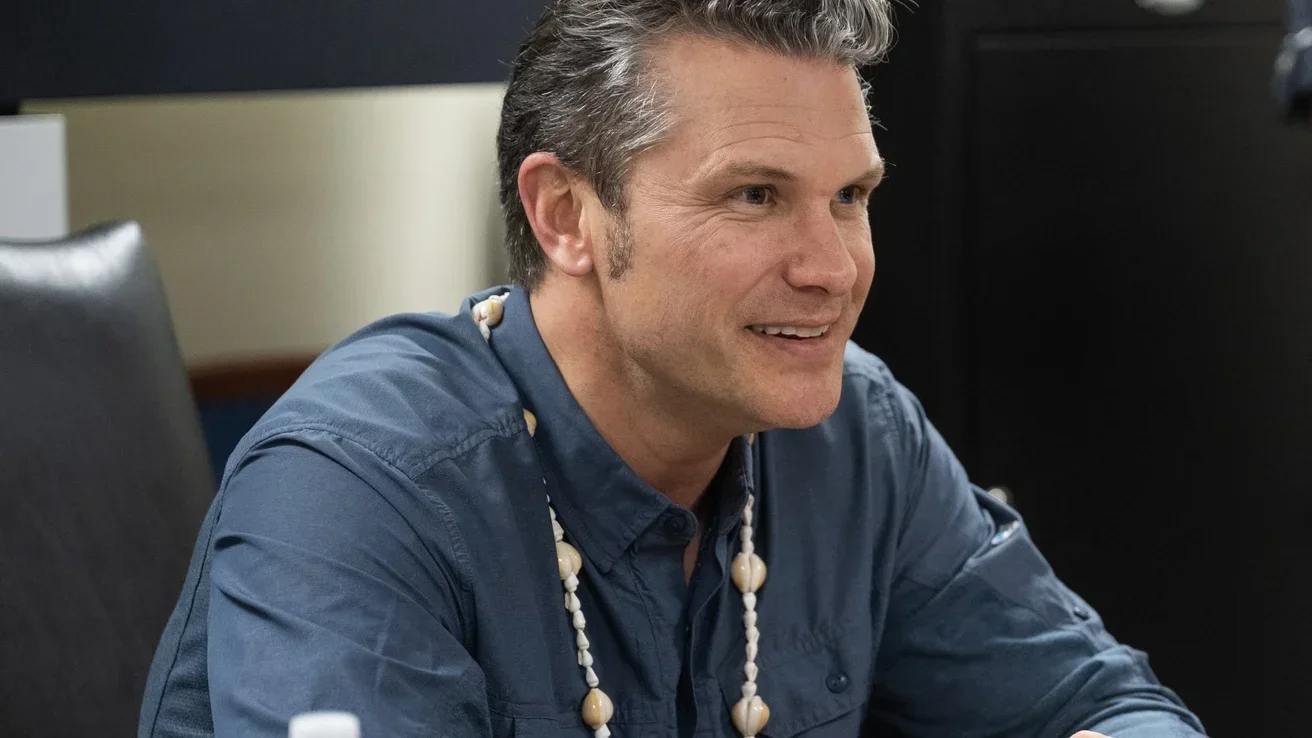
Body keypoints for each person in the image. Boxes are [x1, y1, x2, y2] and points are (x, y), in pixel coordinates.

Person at [140, 1, 1207, 736]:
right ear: (566, 215)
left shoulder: (855, 432)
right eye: (754, 196)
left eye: (850, 197)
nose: (832, 269)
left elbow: (1102, 706)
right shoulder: (358, 488)